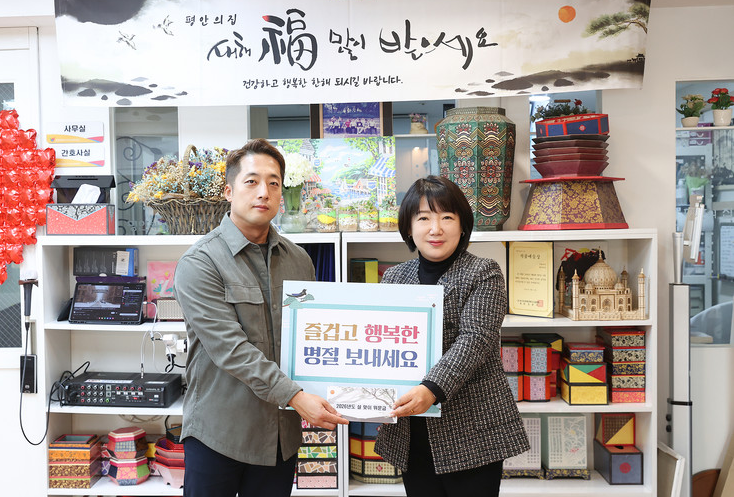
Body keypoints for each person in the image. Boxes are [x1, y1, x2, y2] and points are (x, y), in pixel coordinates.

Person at [174, 138, 348, 497]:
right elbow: (230, 349)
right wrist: (296, 397)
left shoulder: (299, 260)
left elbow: (314, 337)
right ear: (228, 191)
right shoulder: (200, 263)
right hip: (219, 433)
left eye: (273, 183)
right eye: (251, 181)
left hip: (279, 436)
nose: (264, 192)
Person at [374, 175, 529, 497]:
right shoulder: (394, 278)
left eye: (447, 217)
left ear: (462, 226)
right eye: (423, 218)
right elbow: (380, 341)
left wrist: (430, 389)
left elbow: (476, 339)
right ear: (409, 228)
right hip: (411, 428)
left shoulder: (484, 272)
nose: (436, 229)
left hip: (472, 428)